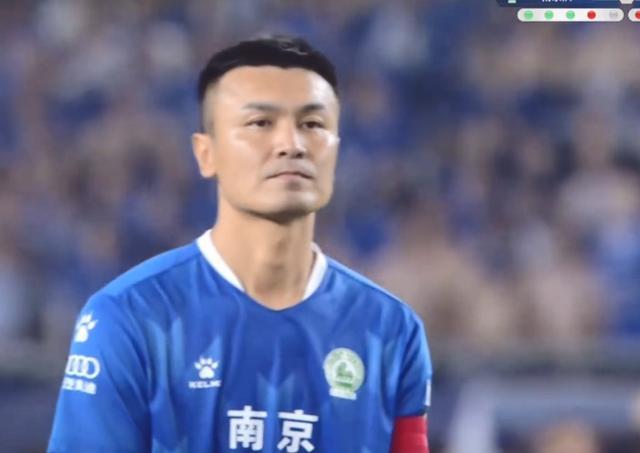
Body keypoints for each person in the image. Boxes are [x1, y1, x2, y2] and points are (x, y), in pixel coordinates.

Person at [47, 35, 432, 453]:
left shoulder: (391, 330)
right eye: (260, 123)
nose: (291, 144)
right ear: (206, 154)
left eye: (312, 124)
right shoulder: (130, 316)